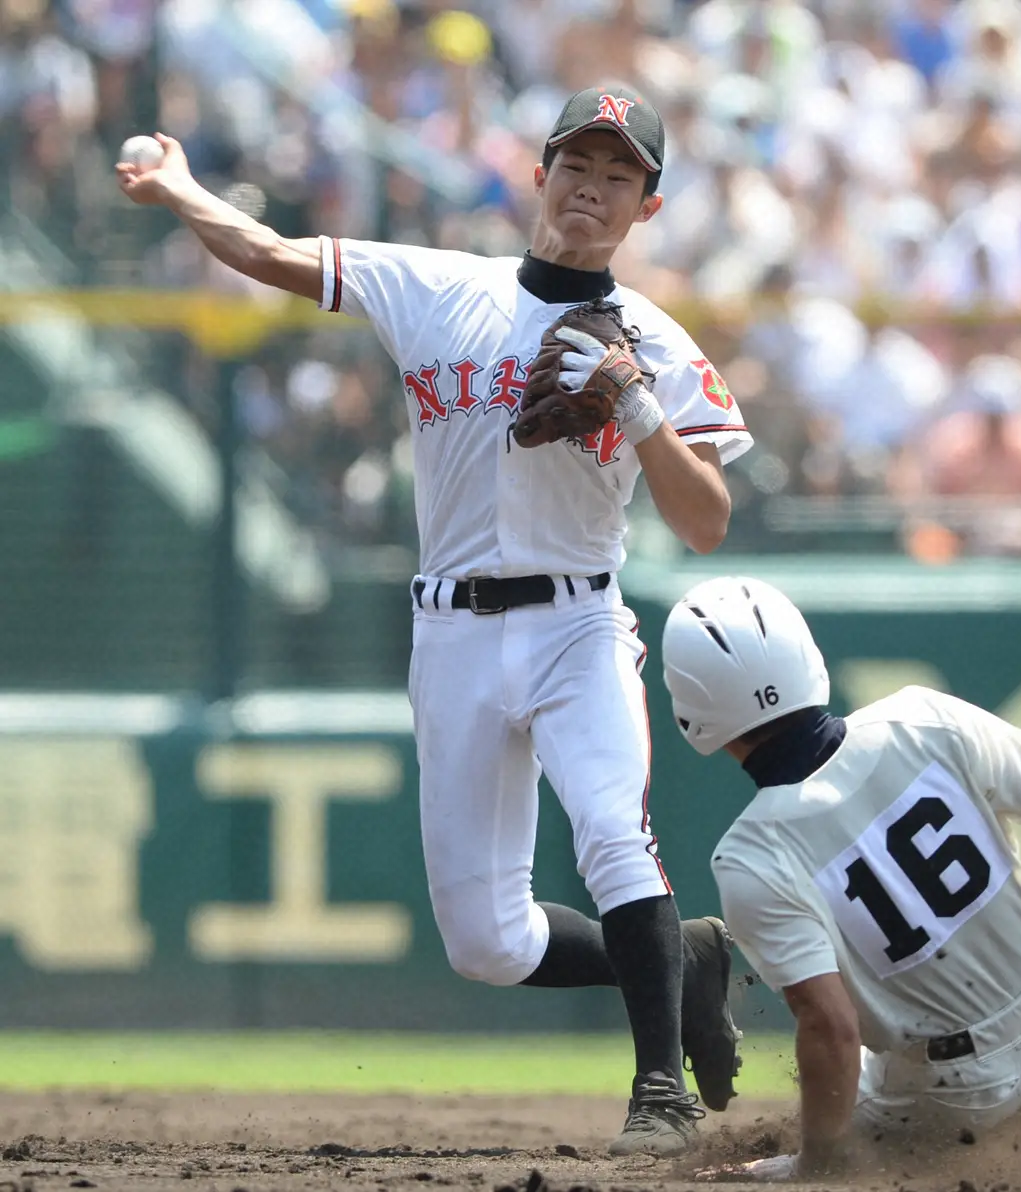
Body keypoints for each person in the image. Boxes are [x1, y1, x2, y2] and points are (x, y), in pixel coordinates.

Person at [116, 85, 752, 1156]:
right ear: (539, 172)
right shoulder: (436, 285)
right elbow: (272, 253)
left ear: (646, 206)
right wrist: (181, 188)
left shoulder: (657, 343)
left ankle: (660, 1089)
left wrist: (637, 402)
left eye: (619, 175)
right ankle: (680, 960)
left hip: (577, 623)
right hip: (450, 630)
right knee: (485, 942)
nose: (592, 188)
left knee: (612, 832)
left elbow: (707, 521)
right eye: (578, 164)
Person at [660, 576, 1021, 1180]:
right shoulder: (921, 714)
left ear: (693, 712)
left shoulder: (749, 856)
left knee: (825, 1133)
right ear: (805, 655)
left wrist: (818, 1165)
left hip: (960, 1090)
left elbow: (831, 1027)